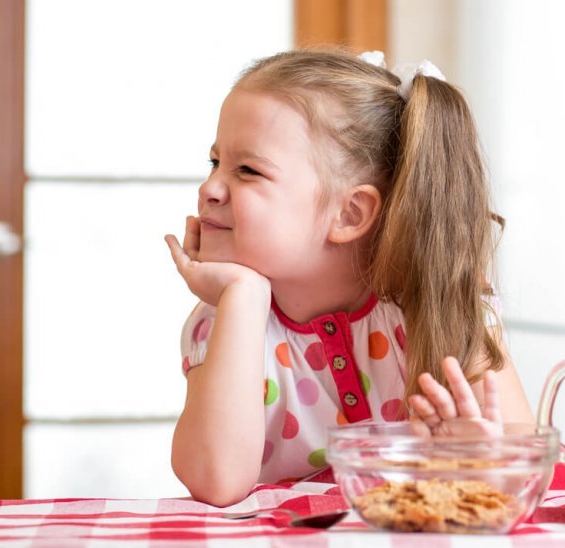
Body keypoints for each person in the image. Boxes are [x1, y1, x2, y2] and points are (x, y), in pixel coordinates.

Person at [165, 49, 533, 507]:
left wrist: (480, 457)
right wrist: (242, 297)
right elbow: (215, 482)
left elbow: (525, 454)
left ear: (349, 213)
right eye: (215, 162)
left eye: (247, 171)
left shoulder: (439, 304)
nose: (210, 188)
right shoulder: (226, 321)